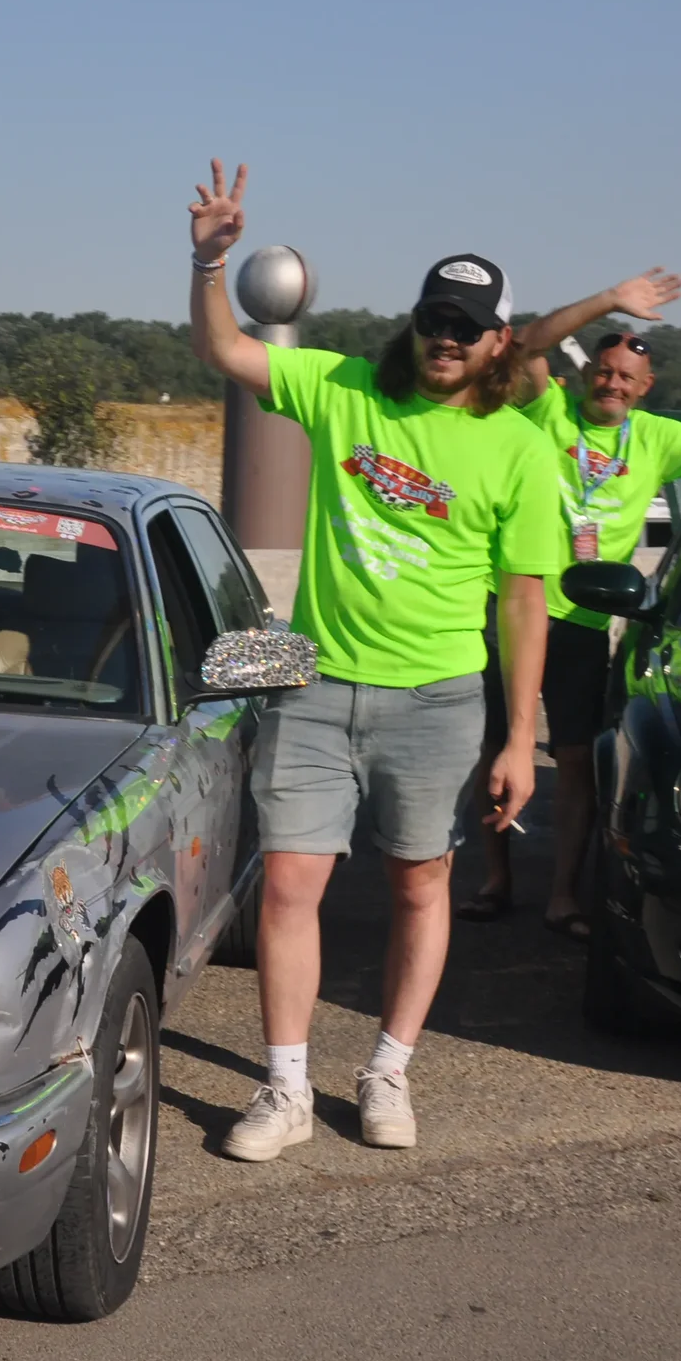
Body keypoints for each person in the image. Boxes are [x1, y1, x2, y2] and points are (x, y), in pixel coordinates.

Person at [187, 161, 563, 1161]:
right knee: (290, 885)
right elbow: (226, 347)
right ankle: (285, 1088)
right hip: (313, 684)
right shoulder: (344, 387)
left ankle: (388, 1069)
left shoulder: (521, 449)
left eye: (466, 325)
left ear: (496, 341)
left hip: (439, 699)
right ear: (415, 322)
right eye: (433, 317)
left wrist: (520, 737)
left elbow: (524, 601)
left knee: (417, 886)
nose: (446, 336)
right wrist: (208, 262)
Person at [455, 277, 681, 933]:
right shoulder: (545, 410)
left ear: (644, 387)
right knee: (492, 745)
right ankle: (496, 880)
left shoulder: (658, 440)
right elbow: (526, 346)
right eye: (603, 372)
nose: (610, 384)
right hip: (508, 609)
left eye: (625, 377)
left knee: (575, 759)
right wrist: (609, 301)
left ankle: (563, 896)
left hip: (582, 620)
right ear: (588, 378)